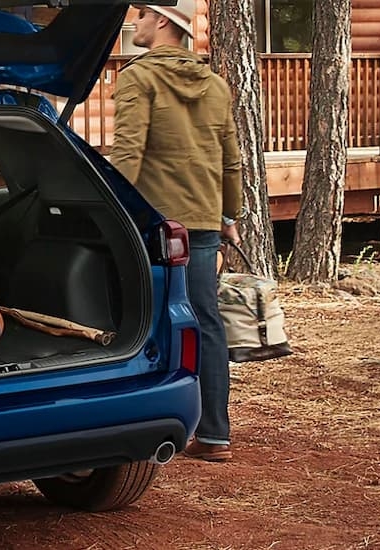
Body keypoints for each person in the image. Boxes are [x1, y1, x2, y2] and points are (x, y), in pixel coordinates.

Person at [109, 1, 245, 462]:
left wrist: (111, 215)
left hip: (154, 224)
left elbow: (128, 155)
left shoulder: (140, 78)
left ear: (162, 22)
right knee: (205, 320)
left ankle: (140, 427)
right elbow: (230, 159)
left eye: (142, 16)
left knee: (141, 321)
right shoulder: (215, 84)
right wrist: (230, 217)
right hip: (204, 220)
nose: (135, 23)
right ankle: (214, 434)